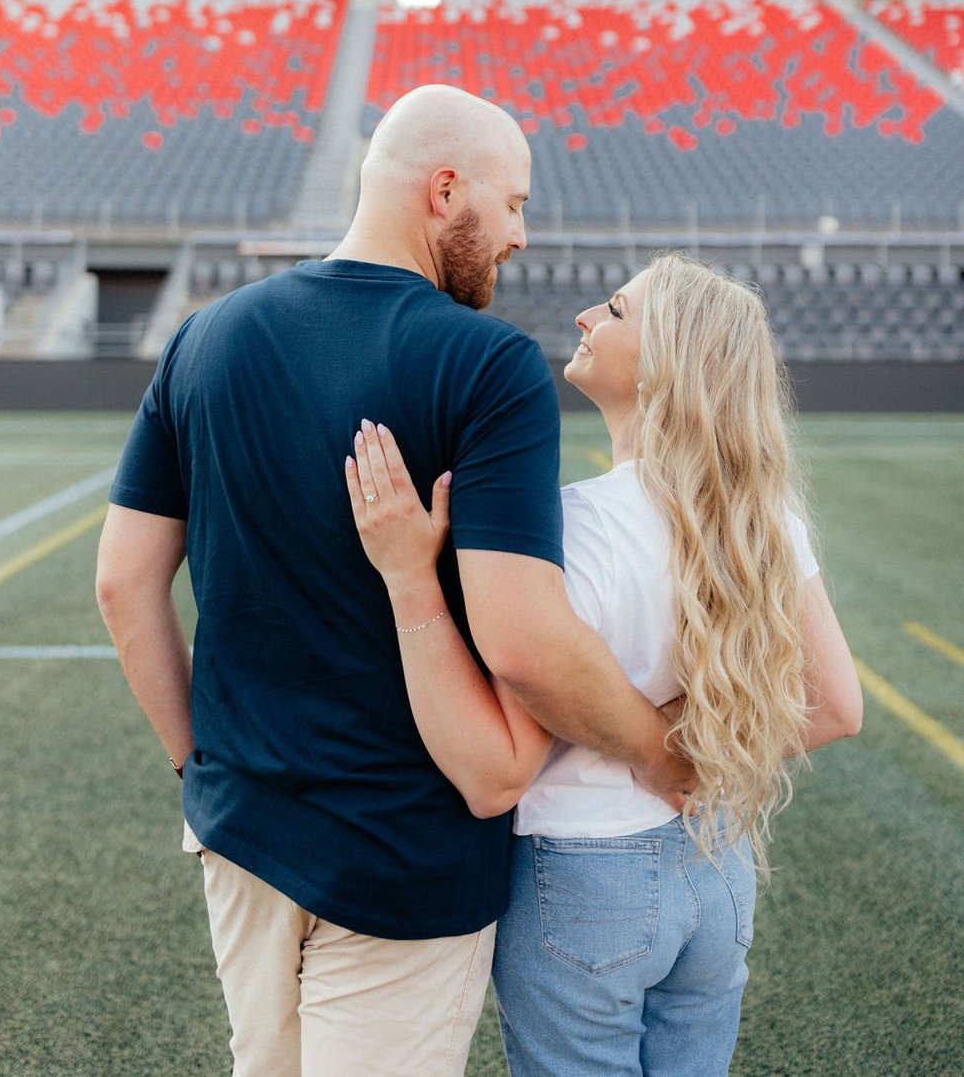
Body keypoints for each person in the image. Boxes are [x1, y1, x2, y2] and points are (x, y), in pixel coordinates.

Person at [95, 84, 693, 1077]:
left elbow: (123, 584)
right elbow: (523, 641)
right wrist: (658, 747)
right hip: (404, 853)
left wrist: (196, 769)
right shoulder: (487, 362)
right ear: (445, 188)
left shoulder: (205, 336)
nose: (520, 237)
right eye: (516, 204)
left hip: (240, 832)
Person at [346, 252, 863, 1077]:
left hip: (582, 879)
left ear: (665, 370)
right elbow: (837, 706)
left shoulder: (571, 527)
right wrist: (697, 754)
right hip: (715, 868)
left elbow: (496, 759)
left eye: (617, 311)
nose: (587, 315)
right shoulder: (765, 518)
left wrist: (409, 575)